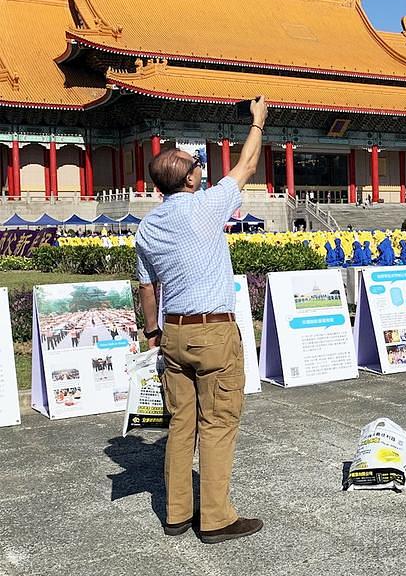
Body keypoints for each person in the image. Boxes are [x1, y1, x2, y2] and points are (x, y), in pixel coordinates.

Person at [135, 95, 268, 543]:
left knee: (181, 423)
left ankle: (176, 513)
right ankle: (214, 518)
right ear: (191, 179)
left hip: (172, 333)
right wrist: (258, 123)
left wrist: (152, 333)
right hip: (213, 330)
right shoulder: (207, 205)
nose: (201, 171)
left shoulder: (147, 227)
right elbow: (247, 166)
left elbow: (147, 287)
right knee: (218, 422)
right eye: (197, 166)